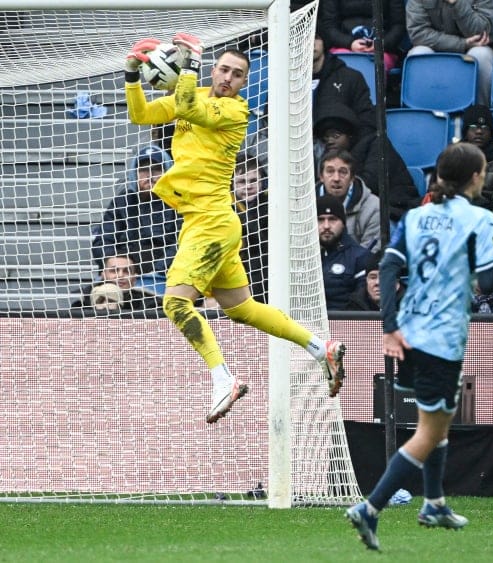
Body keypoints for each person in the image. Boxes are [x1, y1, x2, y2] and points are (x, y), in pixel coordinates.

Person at [123, 35, 348, 422]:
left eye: (237, 74)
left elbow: (188, 106)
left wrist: (190, 65)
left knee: (175, 303)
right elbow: (141, 115)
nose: (228, 77)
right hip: (209, 221)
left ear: (245, 82)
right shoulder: (194, 95)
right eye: (224, 70)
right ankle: (319, 348)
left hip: (210, 223)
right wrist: (131, 77)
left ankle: (223, 379)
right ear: (214, 71)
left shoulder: (234, 111)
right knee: (241, 308)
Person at [345, 142, 493, 551]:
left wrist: (389, 326)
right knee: (429, 431)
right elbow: (490, 281)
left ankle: (434, 503)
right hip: (441, 338)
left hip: (409, 330)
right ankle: (370, 507)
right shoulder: (479, 219)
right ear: (476, 177)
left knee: (437, 420)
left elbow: (388, 266)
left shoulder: (416, 216)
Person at [91, 144, 180, 296]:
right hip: (122, 275)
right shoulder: (122, 201)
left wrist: (156, 269)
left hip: (166, 276)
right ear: (134, 173)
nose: (150, 175)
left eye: (156, 169)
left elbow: (182, 243)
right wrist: (119, 267)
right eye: (143, 170)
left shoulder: (179, 201)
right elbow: (103, 241)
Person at [406, 0, 493, 106]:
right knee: (418, 54)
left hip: (474, 47)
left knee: (481, 55)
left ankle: (480, 111)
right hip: (436, 48)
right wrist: (462, 44)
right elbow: (418, 34)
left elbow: (480, 33)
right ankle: (423, 112)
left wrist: (457, 3)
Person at [315, 149, 381, 251]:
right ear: (321, 177)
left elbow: (369, 254)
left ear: (352, 178)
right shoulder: (304, 204)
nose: (336, 178)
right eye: (330, 171)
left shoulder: (373, 207)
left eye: (343, 172)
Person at [317, 195, 374, 313]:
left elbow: (361, 303)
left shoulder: (360, 257)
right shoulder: (301, 256)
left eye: (332, 219)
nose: (326, 226)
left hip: (345, 322)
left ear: (343, 223)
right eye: (320, 220)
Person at [312, 35, 376, 138]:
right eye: (303, 38)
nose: (311, 42)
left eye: (316, 37)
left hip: (346, 146)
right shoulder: (285, 83)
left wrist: (351, 147)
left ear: (324, 41)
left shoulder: (351, 78)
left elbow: (366, 121)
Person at [321, 0, 407, 74]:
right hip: (343, 46)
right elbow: (329, 26)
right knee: (340, 66)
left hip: (383, 49)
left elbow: (398, 25)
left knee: (375, 67)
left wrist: (381, 44)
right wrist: (350, 43)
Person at [233, 154, 269, 301]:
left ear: (263, 181)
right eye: (241, 181)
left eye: (253, 181)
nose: (248, 186)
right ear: (231, 184)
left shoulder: (272, 206)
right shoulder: (223, 209)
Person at [74, 254, 161, 314]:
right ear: (103, 275)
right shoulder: (84, 301)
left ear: (134, 279)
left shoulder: (150, 304)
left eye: (127, 271)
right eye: (114, 270)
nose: (120, 275)